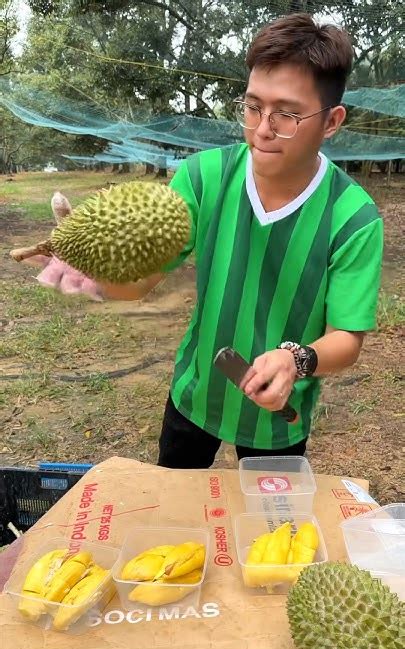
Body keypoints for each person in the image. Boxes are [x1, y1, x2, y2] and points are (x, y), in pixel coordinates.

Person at [27, 13, 384, 469]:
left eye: (288, 114)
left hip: (277, 415)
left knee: (268, 534)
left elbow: (347, 339)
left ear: (331, 121)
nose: (262, 129)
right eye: (253, 106)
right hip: (194, 395)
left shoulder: (353, 217)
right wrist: (95, 273)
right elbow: (140, 283)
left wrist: (297, 360)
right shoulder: (204, 176)